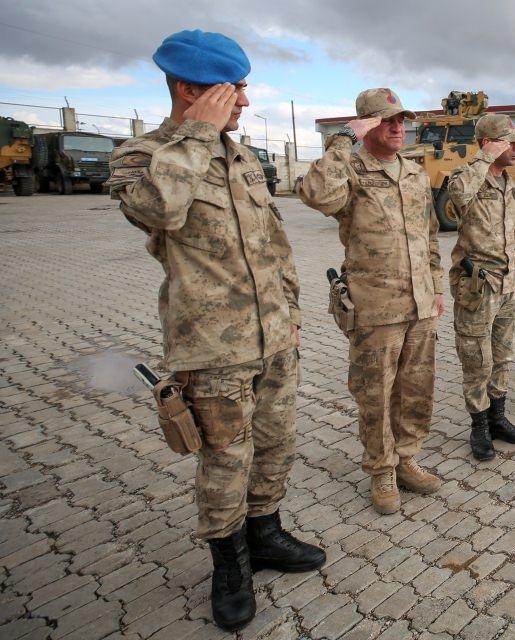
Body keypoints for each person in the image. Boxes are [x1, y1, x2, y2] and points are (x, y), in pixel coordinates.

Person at [105, 30, 325, 631]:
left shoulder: (243, 156)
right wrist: (197, 134)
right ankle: (229, 564)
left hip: (275, 334)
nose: (246, 104)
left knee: (276, 442)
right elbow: (158, 211)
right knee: (227, 458)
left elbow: (274, 245)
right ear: (189, 90)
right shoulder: (141, 156)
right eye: (235, 91)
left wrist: (294, 314)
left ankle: (267, 533)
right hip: (211, 344)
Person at [297, 88, 444, 514]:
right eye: (387, 120)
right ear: (366, 125)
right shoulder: (351, 169)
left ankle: (407, 458)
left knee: (416, 387)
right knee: (375, 392)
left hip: (419, 303)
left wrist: (435, 287)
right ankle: (381, 469)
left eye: (401, 120)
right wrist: (343, 139)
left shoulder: (415, 174)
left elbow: (430, 235)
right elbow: (317, 194)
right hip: (375, 305)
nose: (398, 127)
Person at [447, 113, 515, 460]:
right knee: (476, 360)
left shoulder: (507, 183)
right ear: (487, 144)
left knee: (503, 355)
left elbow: (512, 235)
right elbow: (457, 195)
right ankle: (479, 425)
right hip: (477, 288)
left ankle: (498, 418)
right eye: (507, 142)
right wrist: (483, 156)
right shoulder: (466, 178)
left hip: (505, 286)